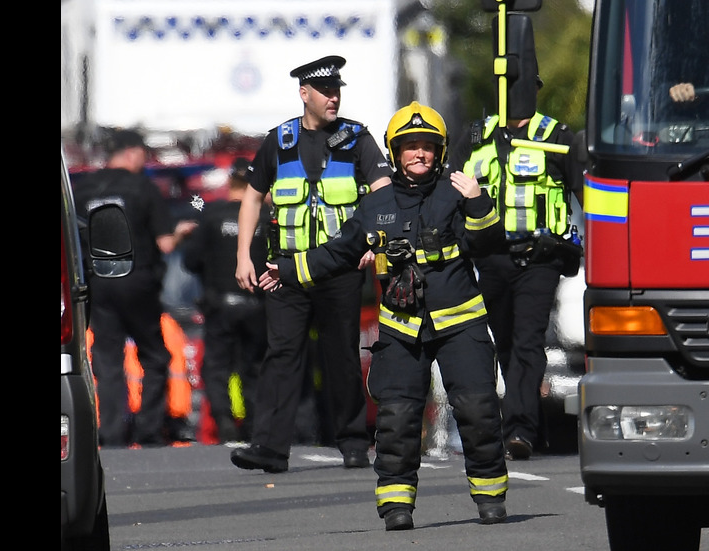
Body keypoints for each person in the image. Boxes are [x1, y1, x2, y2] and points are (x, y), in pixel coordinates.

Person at [258, 101, 510, 530]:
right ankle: (396, 506)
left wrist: (478, 200)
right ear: (394, 153)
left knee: (478, 409)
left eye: (427, 147)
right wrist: (288, 269)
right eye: (409, 147)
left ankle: (490, 497)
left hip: (460, 322)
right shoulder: (376, 205)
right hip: (401, 327)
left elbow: (489, 245)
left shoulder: (457, 189)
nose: (419, 154)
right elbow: (338, 253)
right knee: (396, 418)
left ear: (440, 151)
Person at [231, 55, 392, 472]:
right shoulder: (279, 141)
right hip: (283, 270)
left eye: (337, 90)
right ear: (305, 94)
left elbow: (382, 190)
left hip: (337, 270)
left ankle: (354, 442)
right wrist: (243, 255)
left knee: (340, 356)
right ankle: (269, 446)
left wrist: (376, 239)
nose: (333, 98)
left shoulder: (357, 138)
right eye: (325, 91)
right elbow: (252, 197)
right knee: (282, 355)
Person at [447, 76, 584, 461]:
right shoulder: (475, 137)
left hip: (540, 258)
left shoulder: (557, 137)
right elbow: (449, 191)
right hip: (490, 258)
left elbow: (589, 194)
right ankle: (526, 420)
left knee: (528, 340)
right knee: (505, 341)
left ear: (537, 90)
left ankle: (520, 428)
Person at [73, 128, 197, 447]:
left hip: (99, 283)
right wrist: (182, 232)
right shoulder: (143, 187)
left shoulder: (84, 190)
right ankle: (150, 430)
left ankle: (112, 433)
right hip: (137, 280)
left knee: (107, 359)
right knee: (155, 355)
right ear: (131, 153)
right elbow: (166, 244)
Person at [182, 158, 268, 443]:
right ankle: (254, 427)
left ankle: (224, 422)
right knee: (253, 368)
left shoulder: (211, 215)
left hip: (220, 305)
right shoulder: (266, 217)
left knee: (217, 368)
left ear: (231, 182)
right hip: (258, 305)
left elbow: (190, 260)